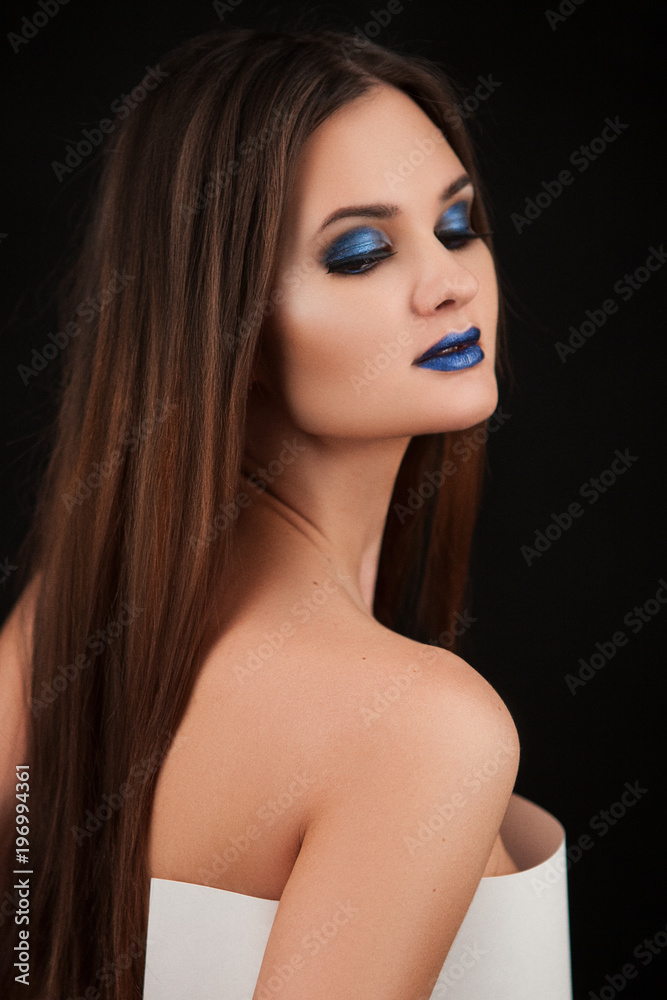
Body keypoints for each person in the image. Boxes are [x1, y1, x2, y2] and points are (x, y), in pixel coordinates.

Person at [0, 26, 572, 1000]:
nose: (450, 282)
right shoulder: (424, 727)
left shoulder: (65, 616)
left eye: (456, 224)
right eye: (360, 252)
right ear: (227, 324)